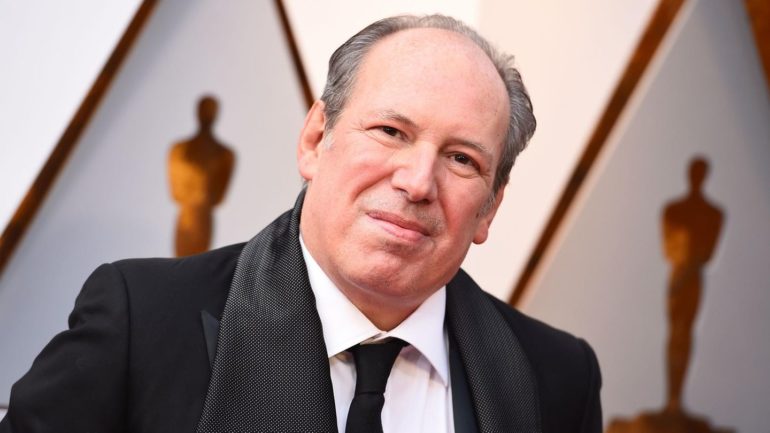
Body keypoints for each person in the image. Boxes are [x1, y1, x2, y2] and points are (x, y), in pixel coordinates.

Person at [0, 15, 601, 433]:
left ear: (489, 207)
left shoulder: (557, 376)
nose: (418, 182)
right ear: (316, 139)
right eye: (391, 131)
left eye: (462, 159)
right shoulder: (143, 320)